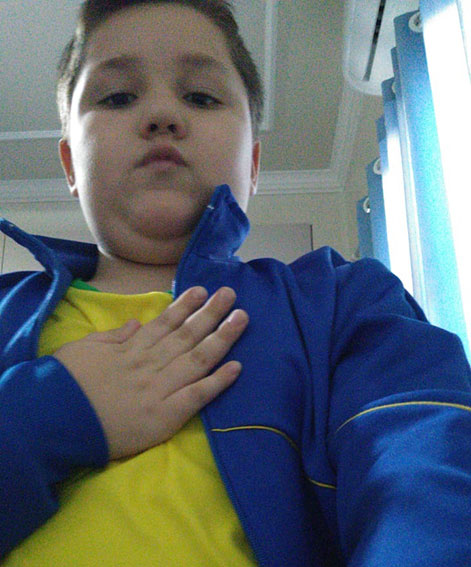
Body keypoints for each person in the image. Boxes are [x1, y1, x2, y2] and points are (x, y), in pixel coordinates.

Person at [0, 0, 470, 565]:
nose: (161, 115)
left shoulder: (345, 303)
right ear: (70, 164)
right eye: (118, 97)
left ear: (252, 164)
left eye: (201, 97)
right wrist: (47, 414)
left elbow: (424, 471)